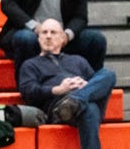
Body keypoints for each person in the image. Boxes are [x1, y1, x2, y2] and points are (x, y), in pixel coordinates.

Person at [18, 19, 117, 149]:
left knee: (108, 74)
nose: (48, 36)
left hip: (82, 99)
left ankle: (76, 100)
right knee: (90, 108)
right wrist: (58, 89)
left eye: (53, 32)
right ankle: (75, 102)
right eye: (44, 32)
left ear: (62, 39)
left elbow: (98, 84)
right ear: (38, 38)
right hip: (58, 108)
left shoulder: (78, 60)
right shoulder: (30, 65)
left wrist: (86, 84)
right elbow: (28, 92)